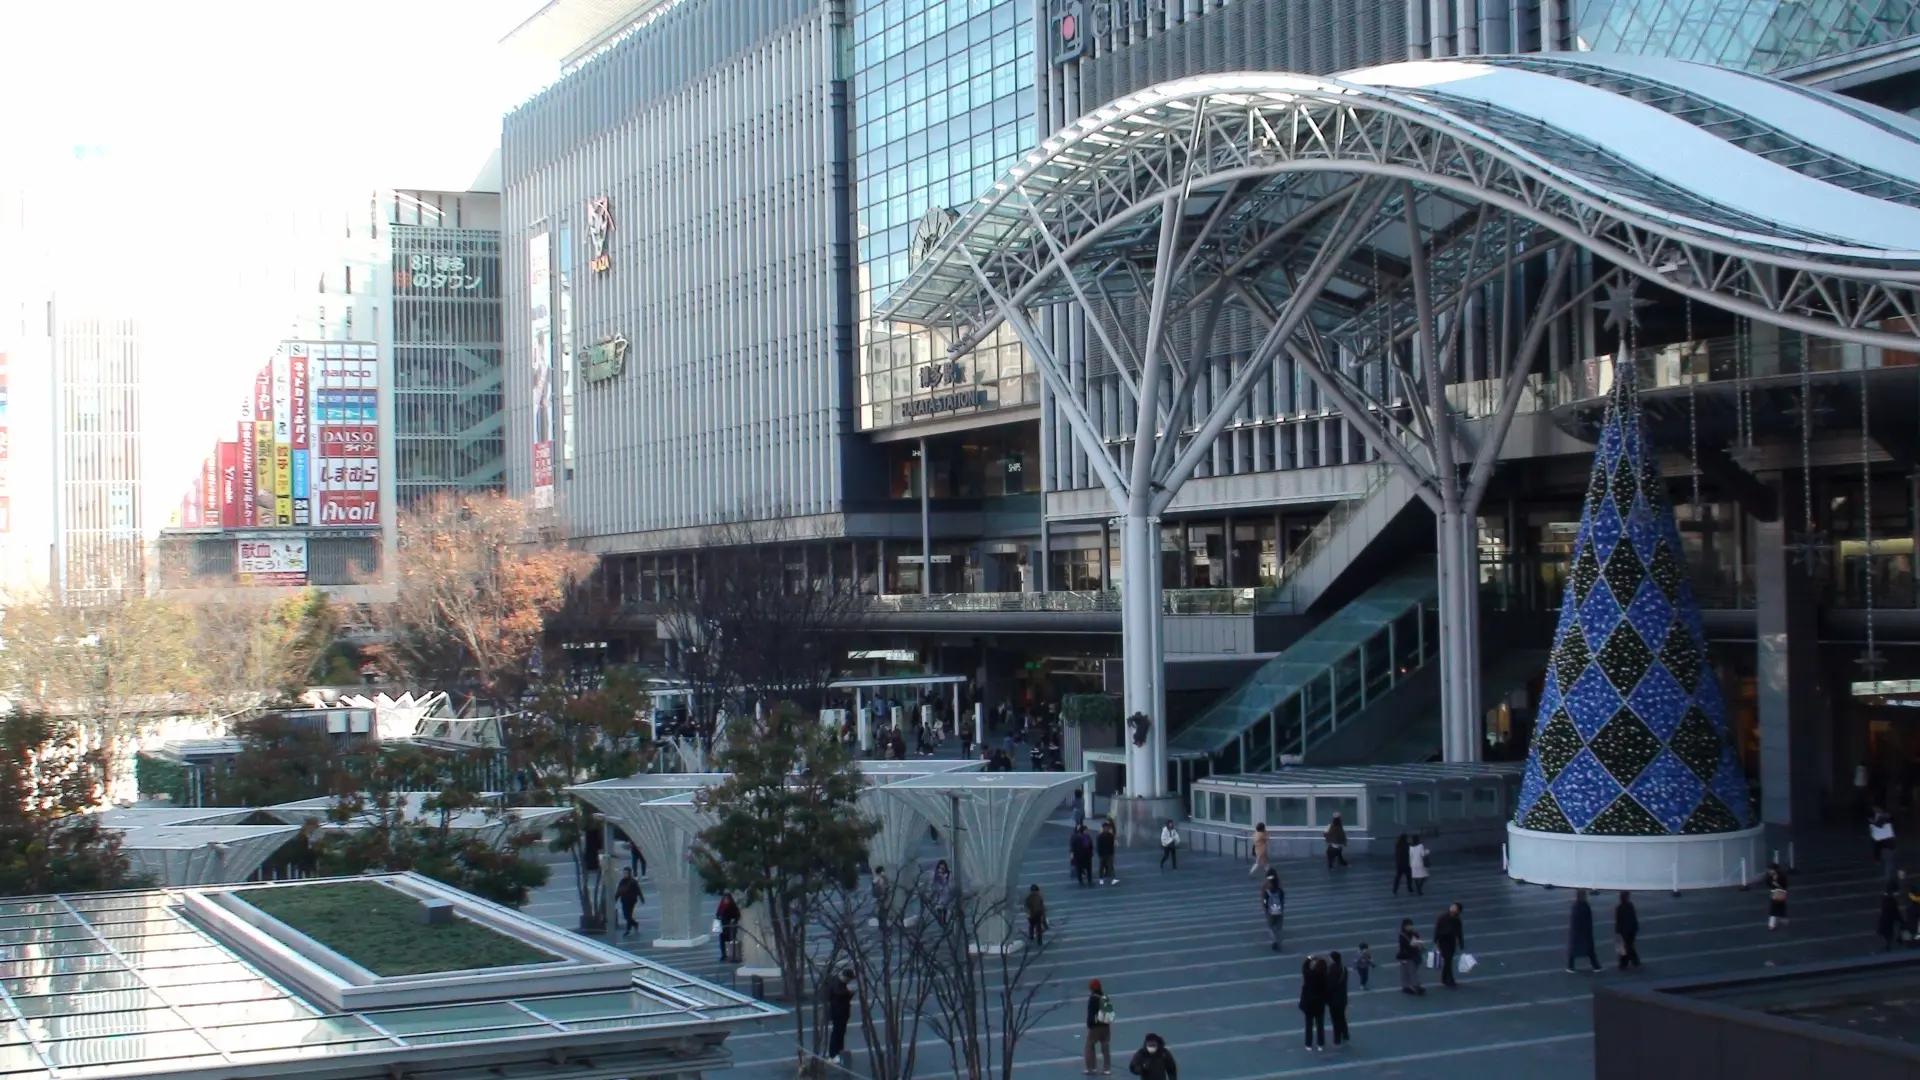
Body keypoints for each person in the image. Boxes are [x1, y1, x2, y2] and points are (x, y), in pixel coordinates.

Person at [1085, 978, 1115, 1076]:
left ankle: (1091, 1067)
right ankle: (1107, 1068)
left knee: (1089, 1046)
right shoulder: (1105, 997)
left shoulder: (1093, 998)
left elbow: (1091, 1013)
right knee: (1105, 1047)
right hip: (1106, 1026)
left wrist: (1089, 1024)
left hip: (1095, 1027)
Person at [1298, 955, 1328, 1052]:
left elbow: (1304, 967)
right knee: (1320, 1024)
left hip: (1309, 1004)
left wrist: (1309, 958)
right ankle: (1320, 1044)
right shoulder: (1323, 976)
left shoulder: (1309, 976)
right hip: (1319, 1004)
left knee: (1309, 1024)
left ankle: (1308, 1044)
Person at [1568, 889, 1602, 972]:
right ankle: (1595, 966)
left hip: (1577, 931)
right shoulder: (1585, 906)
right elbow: (1588, 918)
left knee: (1574, 949)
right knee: (1589, 949)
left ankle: (1570, 966)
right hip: (1585, 931)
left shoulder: (1575, 906)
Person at [825, 967, 854, 1066]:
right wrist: (850, 994)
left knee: (840, 1032)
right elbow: (841, 995)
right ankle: (833, 1054)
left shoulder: (835, 981)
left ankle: (839, 1050)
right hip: (839, 1013)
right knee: (837, 1033)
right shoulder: (839, 987)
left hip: (839, 1012)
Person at [1434, 902, 1464, 988]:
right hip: (1443, 941)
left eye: (1455, 907)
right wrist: (1436, 940)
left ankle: (1444, 978)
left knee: (1449, 960)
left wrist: (1461, 943)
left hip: (1451, 942)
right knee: (1447, 960)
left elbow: (1459, 933)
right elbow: (1437, 928)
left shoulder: (1457, 920)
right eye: (1453, 906)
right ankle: (1449, 979)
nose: (1452, 908)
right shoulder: (1443, 918)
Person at [1326, 949, 1351, 1046]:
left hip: (1333, 999)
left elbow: (1329, 986)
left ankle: (1337, 1038)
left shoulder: (1331, 970)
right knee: (1342, 1017)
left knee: (1335, 1019)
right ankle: (1345, 1034)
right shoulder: (1344, 969)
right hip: (1342, 997)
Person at [1396, 918, 1425, 995]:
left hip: (1412, 955)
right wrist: (1412, 945)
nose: (1411, 927)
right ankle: (1415, 986)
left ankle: (1407, 986)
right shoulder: (1403, 935)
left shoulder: (1413, 934)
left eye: (1411, 925)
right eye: (1409, 925)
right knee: (1411, 972)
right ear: (1405, 926)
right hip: (1407, 956)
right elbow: (1404, 946)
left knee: (1407, 971)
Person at [1873, 809, 1899, 892]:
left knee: (1888, 869)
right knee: (1892, 869)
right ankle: (1893, 887)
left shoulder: (1877, 831)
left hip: (1885, 850)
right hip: (1891, 849)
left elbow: (1877, 843)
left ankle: (1890, 887)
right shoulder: (1888, 827)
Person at [1615, 891, 1642, 971]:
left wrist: (1617, 931)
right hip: (1632, 929)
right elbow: (1633, 917)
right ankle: (1625, 962)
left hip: (1624, 930)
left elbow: (1618, 920)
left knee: (1627, 946)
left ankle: (1632, 962)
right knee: (1628, 946)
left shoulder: (1619, 908)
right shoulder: (1630, 906)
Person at [1260, 869, 1286, 952]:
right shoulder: (1280, 890)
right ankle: (1278, 940)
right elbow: (1282, 900)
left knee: (1271, 927)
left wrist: (1265, 906)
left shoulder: (1267, 889)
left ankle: (1275, 941)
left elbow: (1264, 900)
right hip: (1279, 910)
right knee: (1278, 927)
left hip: (1270, 911)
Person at [615, 868, 643, 938]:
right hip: (624, 900)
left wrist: (641, 898)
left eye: (626, 873)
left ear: (629, 873)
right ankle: (635, 924)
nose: (625, 874)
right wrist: (615, 898)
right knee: (626, 915)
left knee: (628, 915)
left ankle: (628, 930)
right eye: (624, 873)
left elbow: (638, 890)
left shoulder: (633, 882)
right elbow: (619, 890)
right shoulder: (622, 881)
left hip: (631, 901)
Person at [715, 892, 741, 964]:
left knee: (731, 940)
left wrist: (733, 920)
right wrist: (719, 918)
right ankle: (724, 955)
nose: (726, 900)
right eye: (725, 899)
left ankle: (732, 955)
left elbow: (737, 915)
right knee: (722, 941)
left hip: (731, 927)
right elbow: (717, 914)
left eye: (727, 899)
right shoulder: (721, 906)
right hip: (723, 926)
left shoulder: (732, 907)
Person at [1765, 862, 1789, 930]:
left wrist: (1784, 892)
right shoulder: (1768, 877)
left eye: (1771, 870)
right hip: (1774, 893)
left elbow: (1784, 885)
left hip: (1781, 892)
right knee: (1773, 909)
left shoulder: (1781, 876)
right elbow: (1768, 884)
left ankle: (1782, 917)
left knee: (1780, 906)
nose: (1770, 871)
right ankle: (1772, 925)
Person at [1097, 821, 1119, 885]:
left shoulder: (1109, 836)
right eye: (1107, 828)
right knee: (1102, 867)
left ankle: (1112, 879)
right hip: (1104, 854)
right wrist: (1100, 854)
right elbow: (1099, 846)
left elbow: (1112, 845)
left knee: (1110, 867)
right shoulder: (1101, 836)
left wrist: (1112, 853)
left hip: (1108, 854)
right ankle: (1101, 879)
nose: (1108, 829)